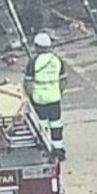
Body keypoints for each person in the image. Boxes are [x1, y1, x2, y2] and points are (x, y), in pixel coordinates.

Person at [24, 32, 67, 161]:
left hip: (39, 99)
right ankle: (59, 149)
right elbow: (63, 81)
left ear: (37, 46)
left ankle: (45, 149)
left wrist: (30, 97)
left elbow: (28, 83)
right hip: (55, 97)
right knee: (56, 124)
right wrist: (58, 92)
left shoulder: (33, 62)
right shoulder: (57, 61)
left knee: (42, 125)